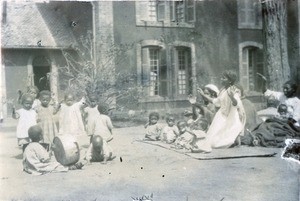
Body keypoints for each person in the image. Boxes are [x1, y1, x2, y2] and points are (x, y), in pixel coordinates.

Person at [191, 70, 246, 153]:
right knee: (212, 134)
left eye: (223, 78)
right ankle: (205, 146)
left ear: (229, 80)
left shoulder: (233, 90)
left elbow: (236, 103)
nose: (221, 79)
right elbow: (216, 101)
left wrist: (232, 97)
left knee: (222, 136)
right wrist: (203, 95)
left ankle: (207, 147)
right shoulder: (223, 90)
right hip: (221, 114)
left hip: (228, 116)